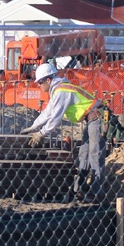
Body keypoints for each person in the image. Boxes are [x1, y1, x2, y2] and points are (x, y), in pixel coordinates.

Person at [20, 62, 107, 203]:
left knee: (95, 155)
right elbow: (47, 112)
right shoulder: (57, 91)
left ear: (48, 80)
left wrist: (41, 133)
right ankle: (80, 190)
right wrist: (33, 127)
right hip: (91, 120)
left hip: (97, 118)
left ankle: (96, 194)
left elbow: (55, 118)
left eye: (40, 82)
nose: (39, 85)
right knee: (83, 155)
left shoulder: (61, 91)